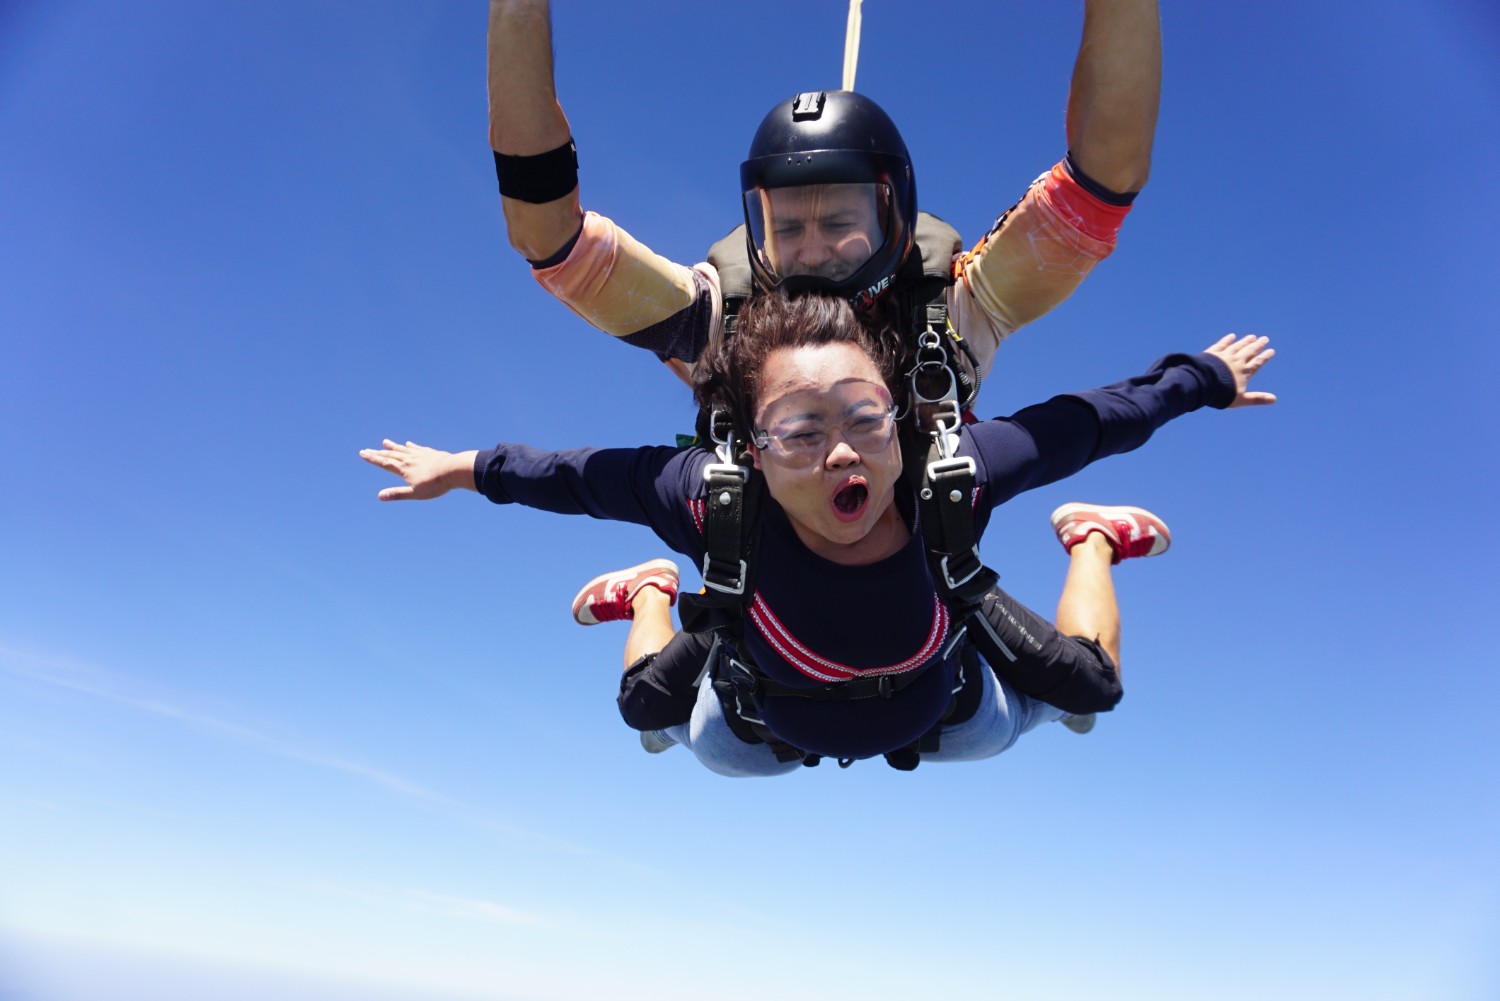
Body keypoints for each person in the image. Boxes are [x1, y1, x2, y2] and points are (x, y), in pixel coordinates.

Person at [360, 295, 1277, 776]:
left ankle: (1092, 542)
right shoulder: (712, 501)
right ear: (753, 449)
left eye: (864, 417)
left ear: (896, 421)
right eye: (800, 429)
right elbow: (577, 476)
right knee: (647, 714)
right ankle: (648, 593)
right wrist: (463, 468)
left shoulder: (947, 478)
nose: (842, 450)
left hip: (943, 708)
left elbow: (1090, 422)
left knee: (1092, 693)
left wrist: (1201, 378)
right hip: (759, 720)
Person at [486, 0, 1162, 391]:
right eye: (785, 229)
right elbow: (549, 239)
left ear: (895, 215)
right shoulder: (720, 318)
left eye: (839, 221)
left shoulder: (953, 308)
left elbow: (1104, 179)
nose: (811, 251)